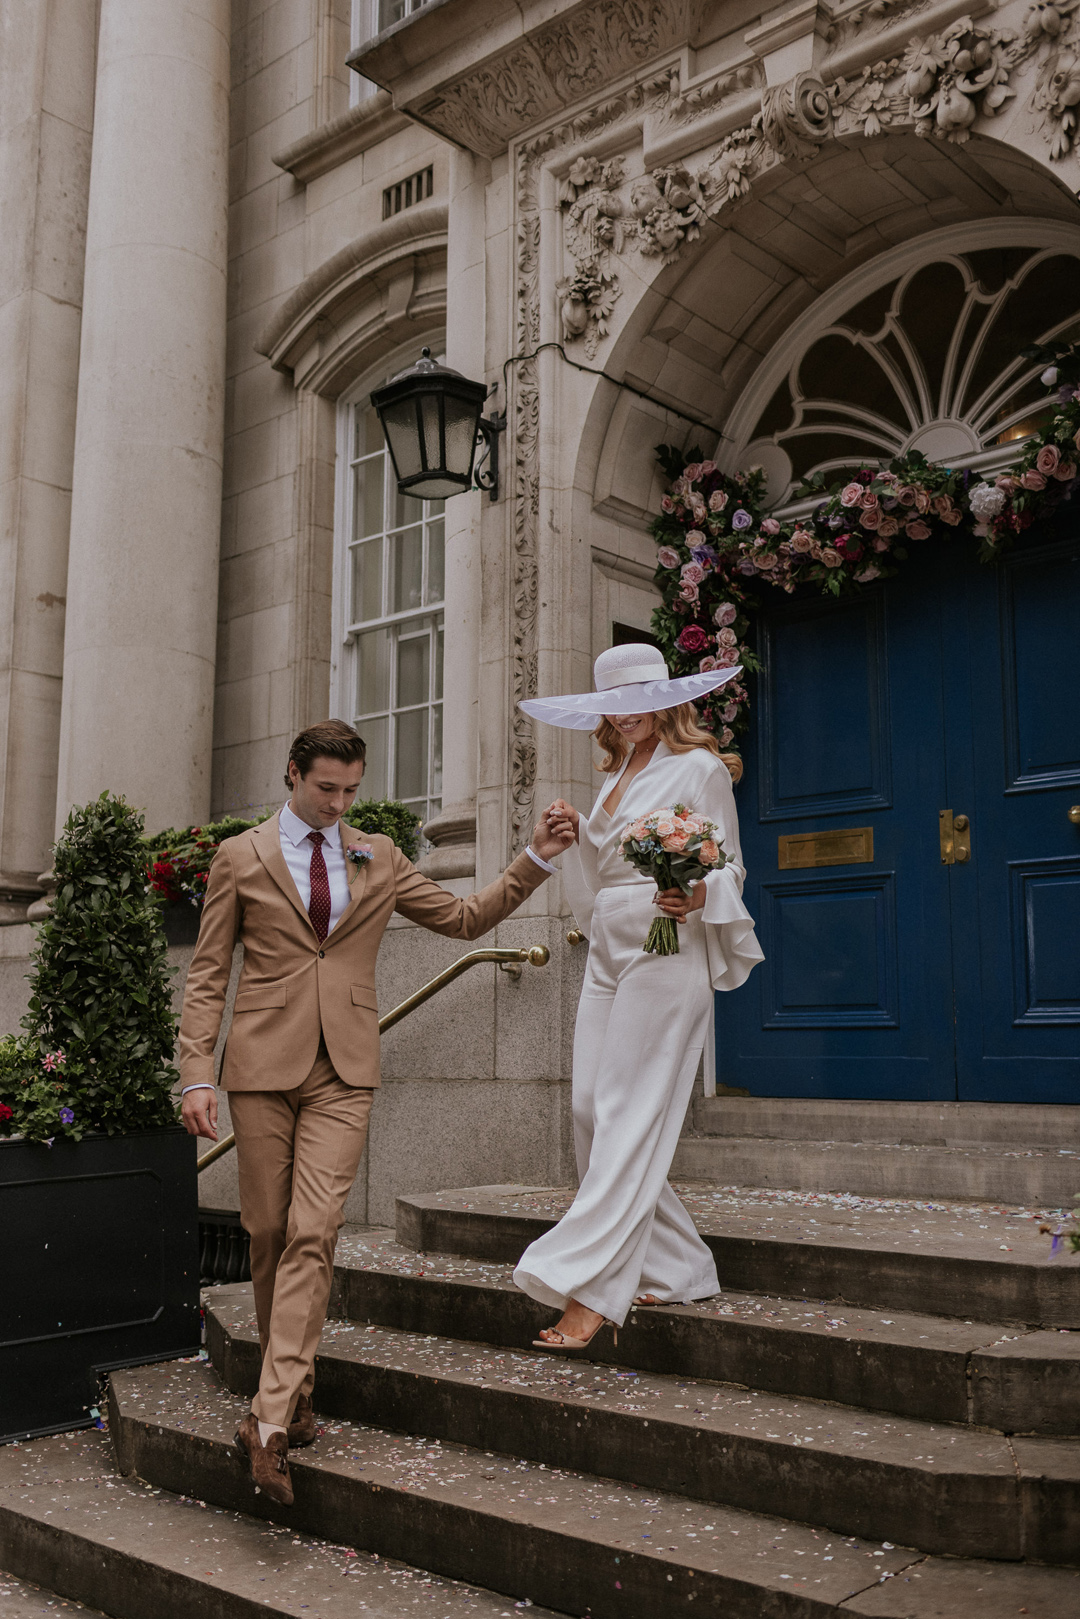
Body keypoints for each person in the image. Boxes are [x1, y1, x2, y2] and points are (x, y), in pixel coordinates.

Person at [178, 719, 572, 1504]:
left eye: (351, 790)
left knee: (315, 1231)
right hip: (259, 1067)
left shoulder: (379, 854)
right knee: (267, 1234)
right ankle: (296, 1390)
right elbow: (207, 972)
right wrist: (196, 1074)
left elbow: (462, 920)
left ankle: (268, 1417)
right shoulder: (240, 857)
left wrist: (534, 860)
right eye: (327, 788)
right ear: (293, 774)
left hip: (344, 1070)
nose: (339, 803)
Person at [512, 644, 764, 1351]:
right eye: (614, 705)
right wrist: (572, 838)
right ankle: (683, 1264)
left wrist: (697, 889)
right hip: (608, 941)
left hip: (665, 940)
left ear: (668, 700)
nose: (626, 716)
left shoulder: (700, 768)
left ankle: (591, 1288)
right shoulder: (615, 772)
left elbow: (731, 865)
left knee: (624, 1109)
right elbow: (606, 871)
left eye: (640, 700)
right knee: (589, 1106)